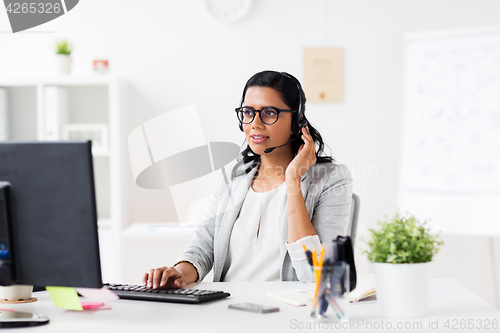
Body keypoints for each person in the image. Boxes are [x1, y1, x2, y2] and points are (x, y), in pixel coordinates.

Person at [143, 70, 352, 289]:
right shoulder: (233, 177)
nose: (255, 123)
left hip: (285, 313)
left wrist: (293, 181)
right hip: (226, 310)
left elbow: (316, 275)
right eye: (248, 112)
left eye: (270, 112)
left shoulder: (332, 179)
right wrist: (178, 273)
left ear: (296, 120)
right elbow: (202, 248)